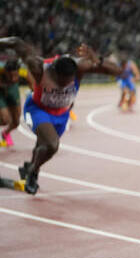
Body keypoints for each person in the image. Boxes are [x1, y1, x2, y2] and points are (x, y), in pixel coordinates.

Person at [0, 37, 122, 195]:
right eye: (61, 82)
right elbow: (16, 42)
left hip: (61, 114)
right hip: (37, 110)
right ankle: (32, 171)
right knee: (52, 144)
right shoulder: (39, 68)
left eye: (68, 82)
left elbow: (117, 71)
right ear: (53, 72)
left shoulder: (80, 67)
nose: (64, 85)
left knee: (42, 147)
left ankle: (31, 168)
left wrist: (96, 58)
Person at [0, 59, 21, 147]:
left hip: (13, 90)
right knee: (5, 120)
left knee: (16, 122)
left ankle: (5, 133)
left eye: (15, 75)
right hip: (0, 92)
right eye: (10, 76)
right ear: (5, 71)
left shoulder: (24, 71)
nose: (13, 78)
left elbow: (33, 85)